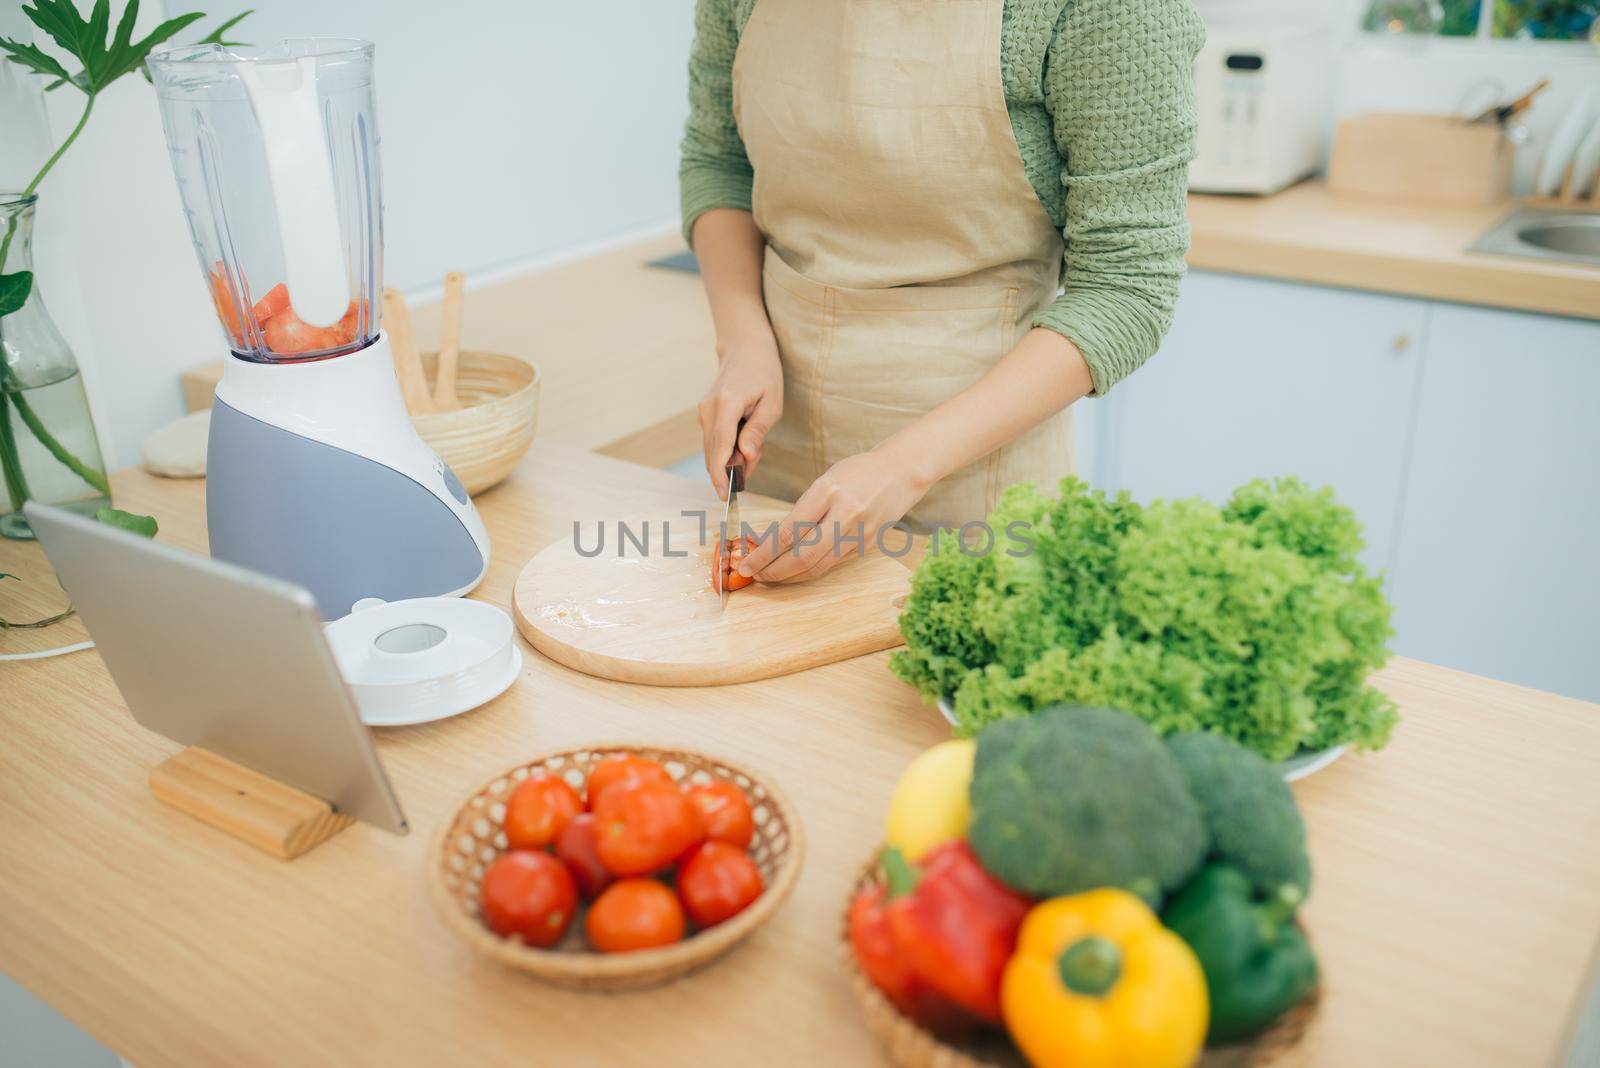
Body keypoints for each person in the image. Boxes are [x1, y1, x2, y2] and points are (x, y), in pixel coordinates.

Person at [682, 0, 1204, 584]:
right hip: (775, 455)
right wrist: (742, 337)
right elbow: (718, 164)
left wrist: (900, 466)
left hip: (977, 483)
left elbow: (1126, 284)